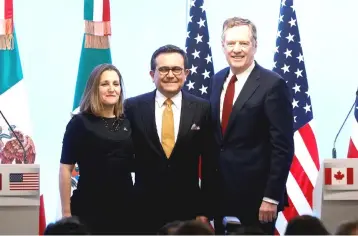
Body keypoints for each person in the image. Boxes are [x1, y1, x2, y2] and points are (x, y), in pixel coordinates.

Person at [210, 17, 294, 234]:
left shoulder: (273, 85)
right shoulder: (217, 80)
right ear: (222, 46)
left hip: (257, 201)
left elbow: (282, 147)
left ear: (255, 46)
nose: (236, 49)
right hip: (220, 196)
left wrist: (271, 197)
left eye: (243, 43)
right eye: (231, 44)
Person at [125, 44, 217, 234]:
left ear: (186, 73)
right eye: (163, 69)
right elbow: (124, 157)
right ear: (152, 74)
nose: (170, 74)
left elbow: (209, 163)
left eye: (176, 69)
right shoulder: (132, 107)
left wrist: (205, 209)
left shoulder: (203, 109)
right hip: (142, 207)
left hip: (187, 209)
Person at [59, 64, 134, 234]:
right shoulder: (79, 123)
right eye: (105, 84)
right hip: (89, 207)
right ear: (94, 88)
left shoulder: (128, 122)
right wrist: (66, 212)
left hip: (126, 207)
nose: (111, 89)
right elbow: (65, 168)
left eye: (116, 84)